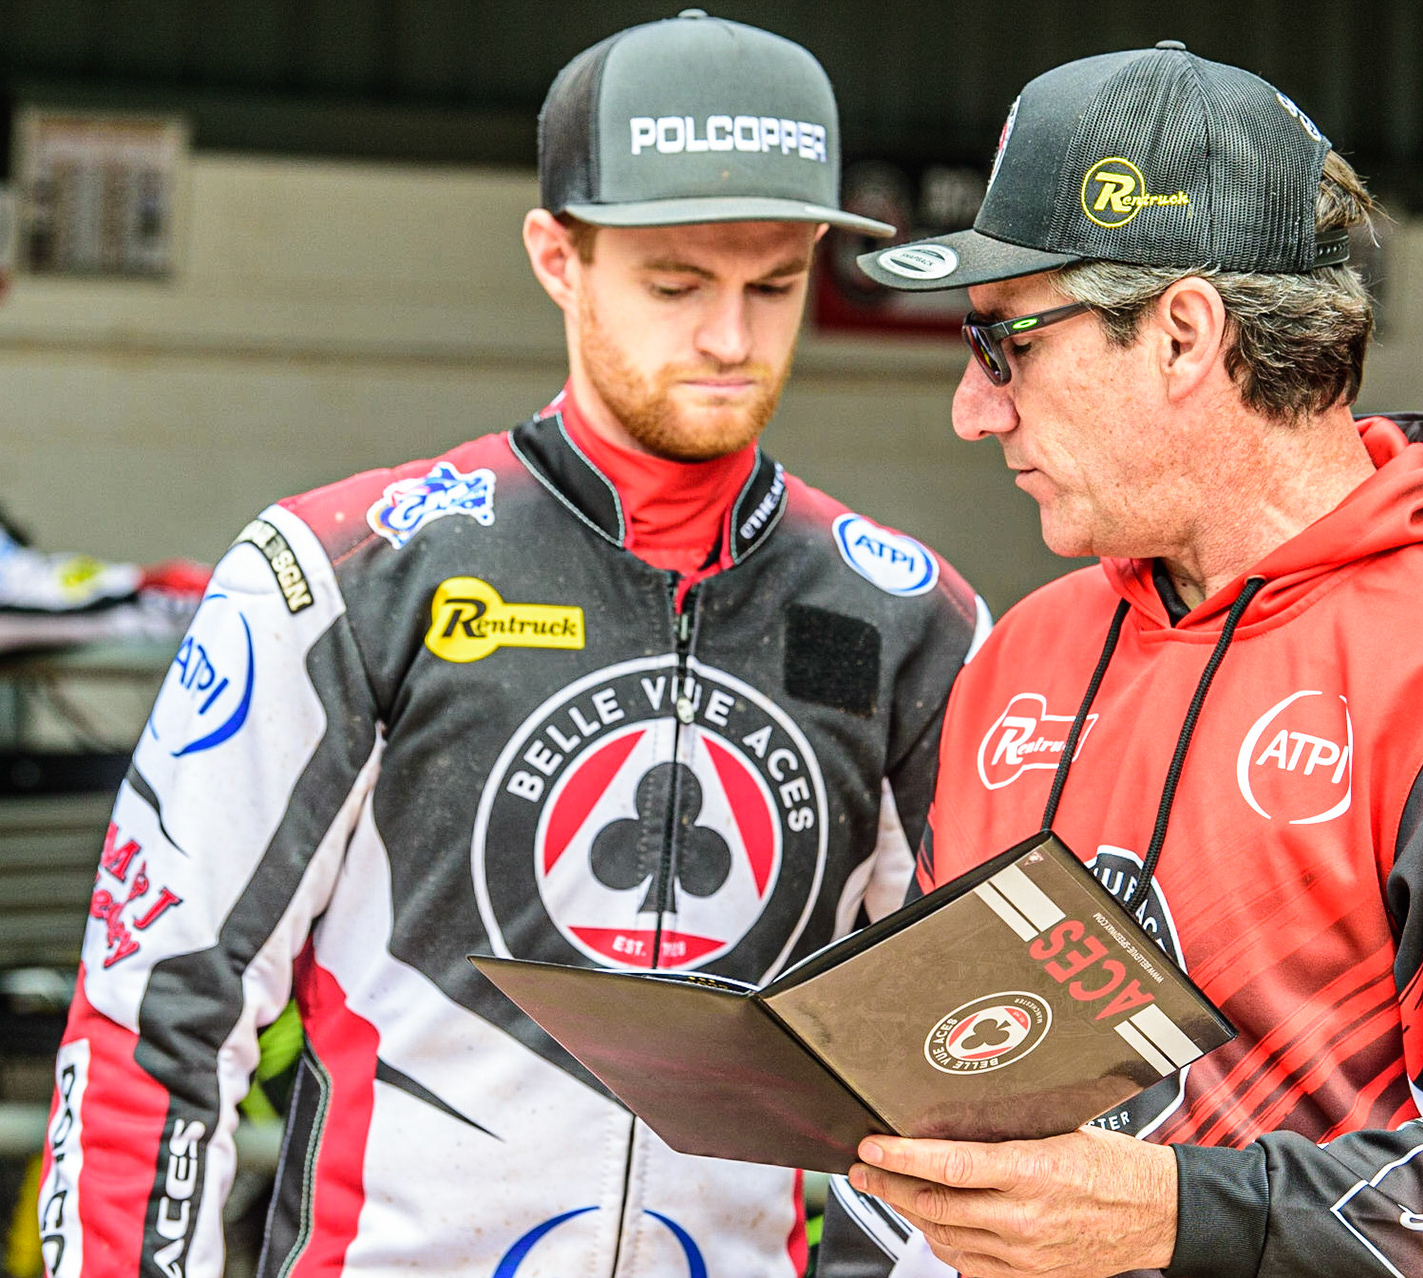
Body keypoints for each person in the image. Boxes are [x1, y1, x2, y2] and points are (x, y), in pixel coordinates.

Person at [37, 12, 985, 1277]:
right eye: (674, 284)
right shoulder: (344, 573)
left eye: (774, 285)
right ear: (555, 257)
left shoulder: (911, 620)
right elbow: (157, 1013)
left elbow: (957, 1069)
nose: (728, 338)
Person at [821, 42, 1423, 1278]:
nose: (975, 408)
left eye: (1005, 342)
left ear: (1185, 335)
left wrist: (1188, 1214)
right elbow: (926, 1115)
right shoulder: (1029, 652)